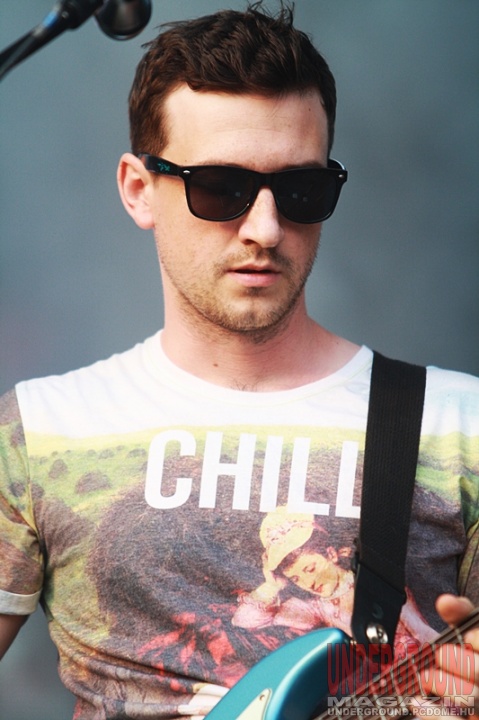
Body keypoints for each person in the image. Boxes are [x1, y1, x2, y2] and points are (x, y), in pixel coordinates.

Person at [0, 3, 478, 719]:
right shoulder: (41, 432)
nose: (265, 228)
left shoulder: (459, 428)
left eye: (301, 191)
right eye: (220, 187)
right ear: (138, 189)